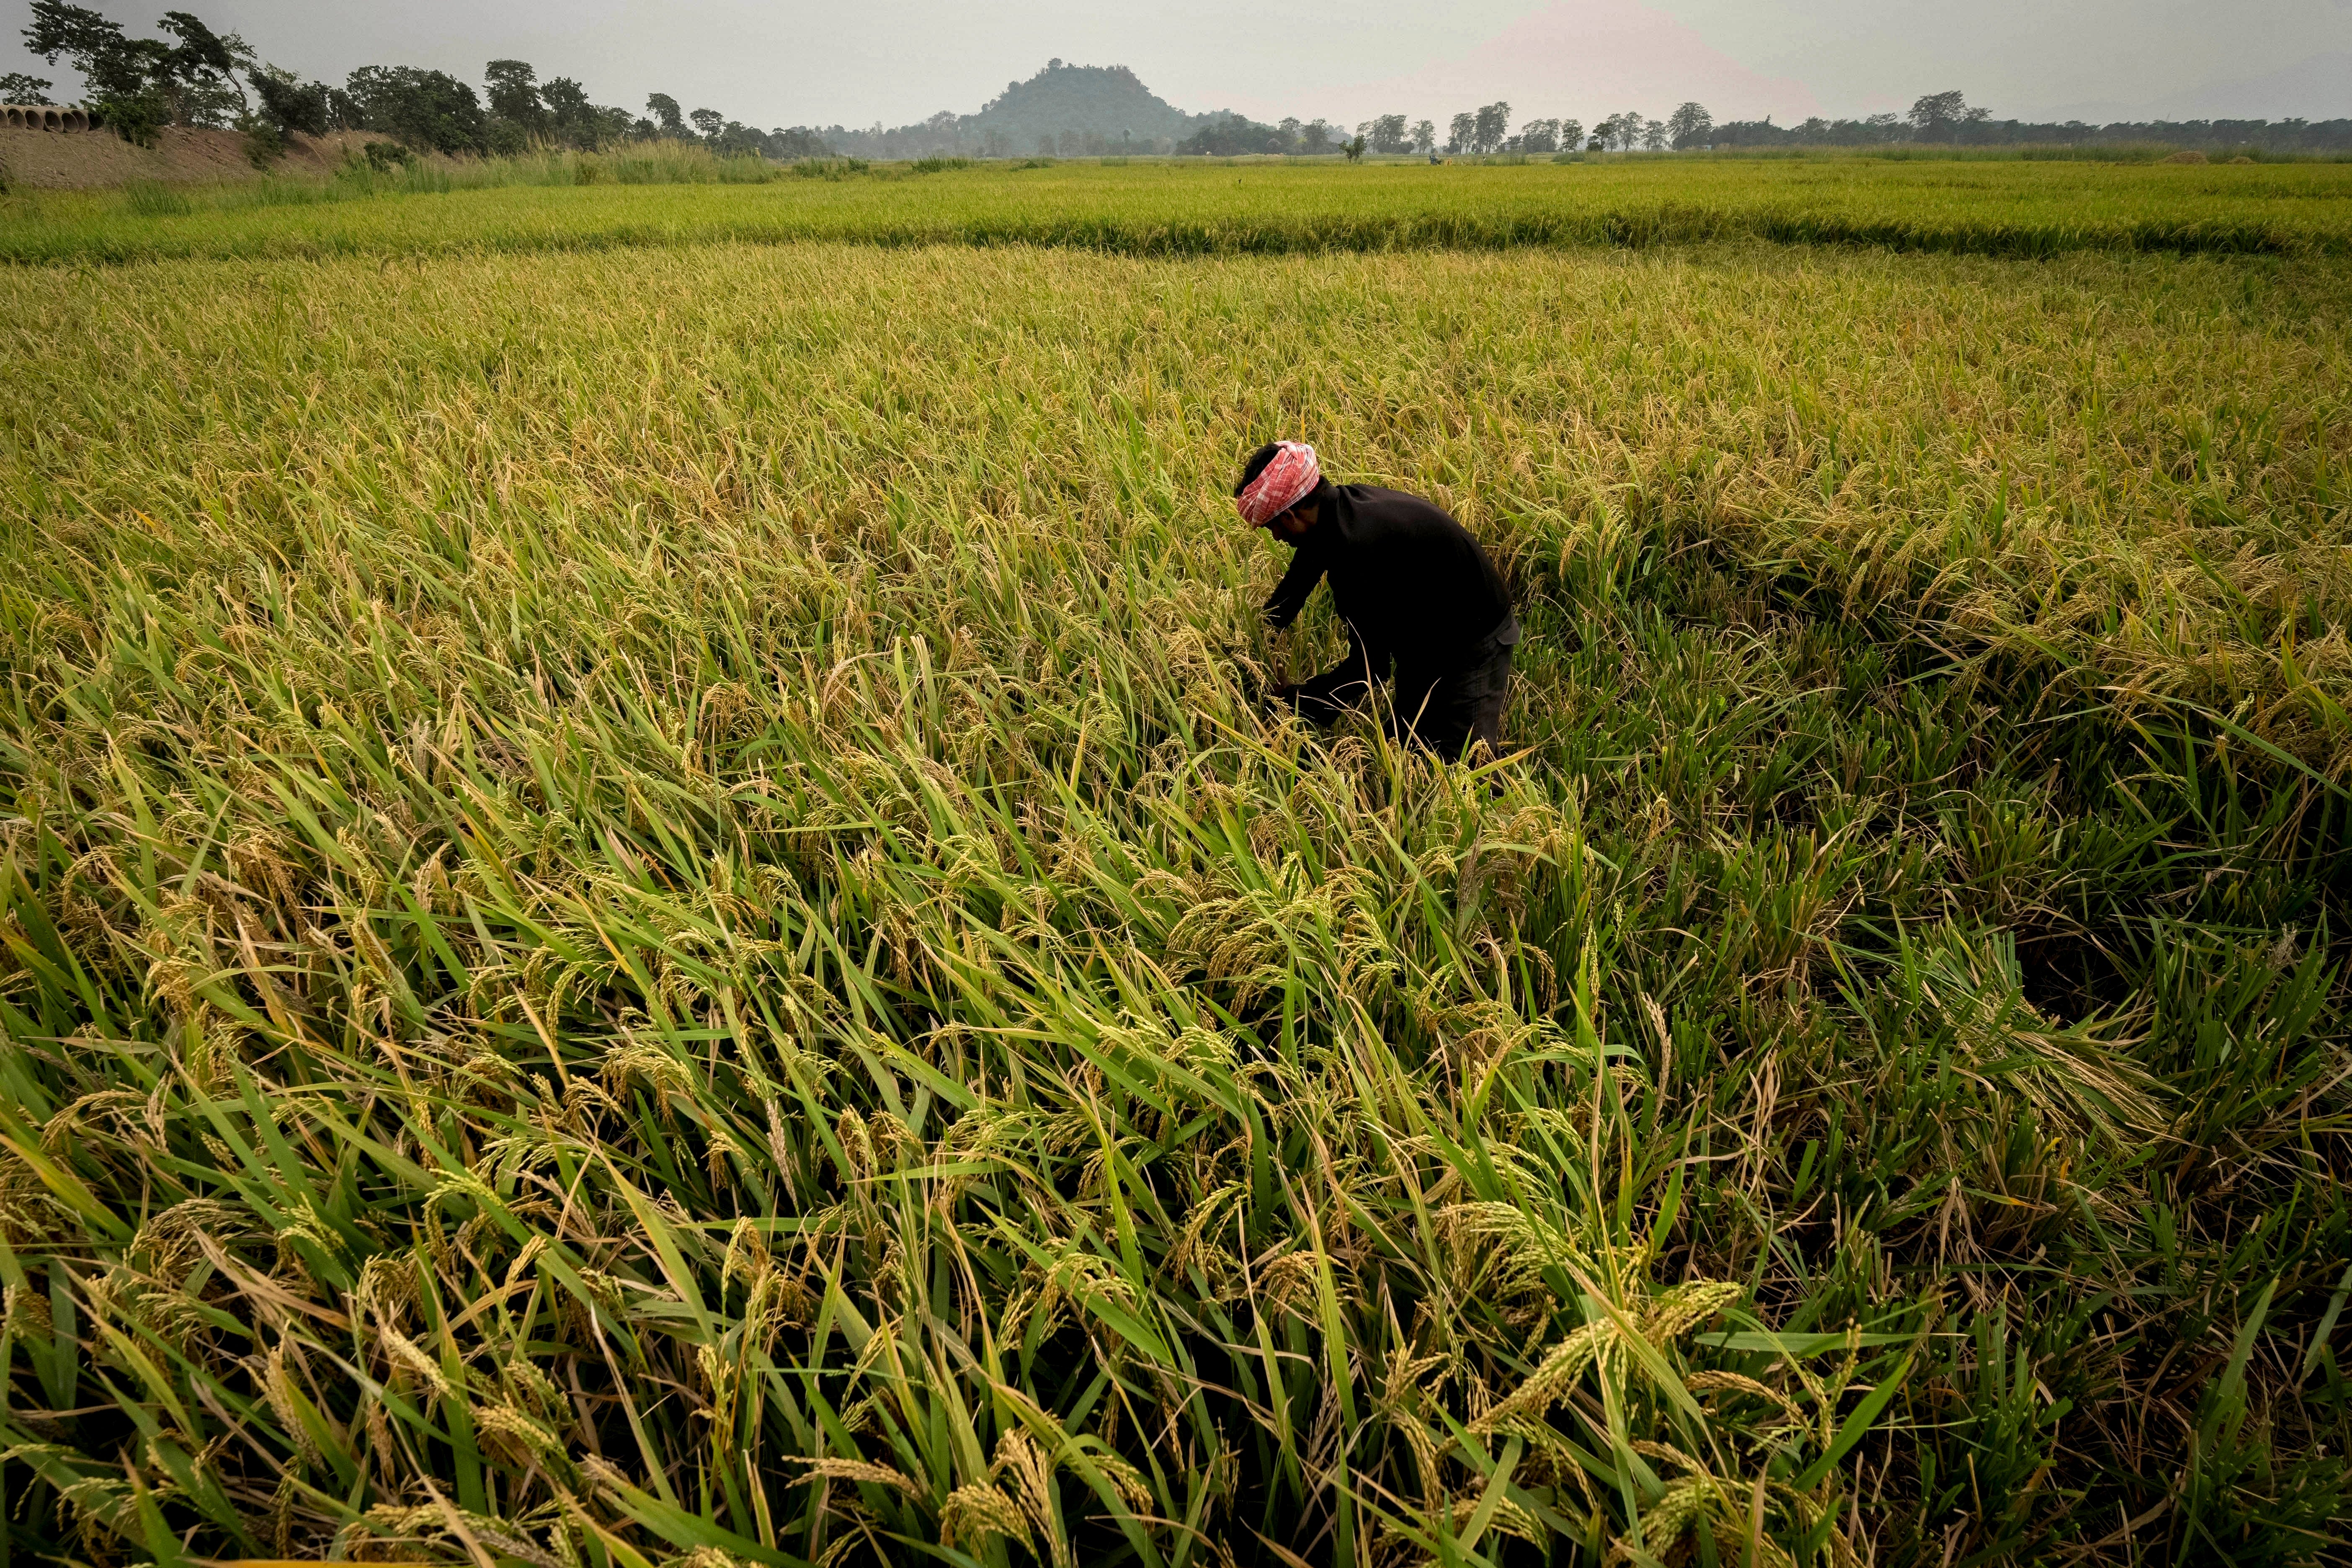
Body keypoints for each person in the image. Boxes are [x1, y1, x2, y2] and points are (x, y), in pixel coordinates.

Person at [1235, 441, 1519, 758]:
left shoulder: (1357, 551)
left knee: (1464, 760)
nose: (1276, 537)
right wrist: (1259, 634)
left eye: (1272, 527)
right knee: (1408, 743)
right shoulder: (1337, 511)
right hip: (1427, 630)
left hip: (1474, 638)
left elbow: (1369, 670)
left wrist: (1295, 700)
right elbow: (1300, 577)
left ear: (1290, 516)